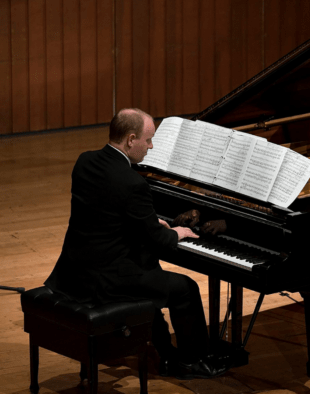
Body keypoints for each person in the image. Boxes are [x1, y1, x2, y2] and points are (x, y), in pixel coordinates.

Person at [44, 108, 227, 378]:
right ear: (131, 140)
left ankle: (165, 352)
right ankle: (190, 361)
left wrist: (151, 222)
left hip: (74, 270)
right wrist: (177, 232)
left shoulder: (85, 161)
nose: (151, 147)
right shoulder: (132, 182)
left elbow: (106, 213)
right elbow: (160, 241)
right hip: (106, 280)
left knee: (150, 270)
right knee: (184, 288)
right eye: (148, 140)